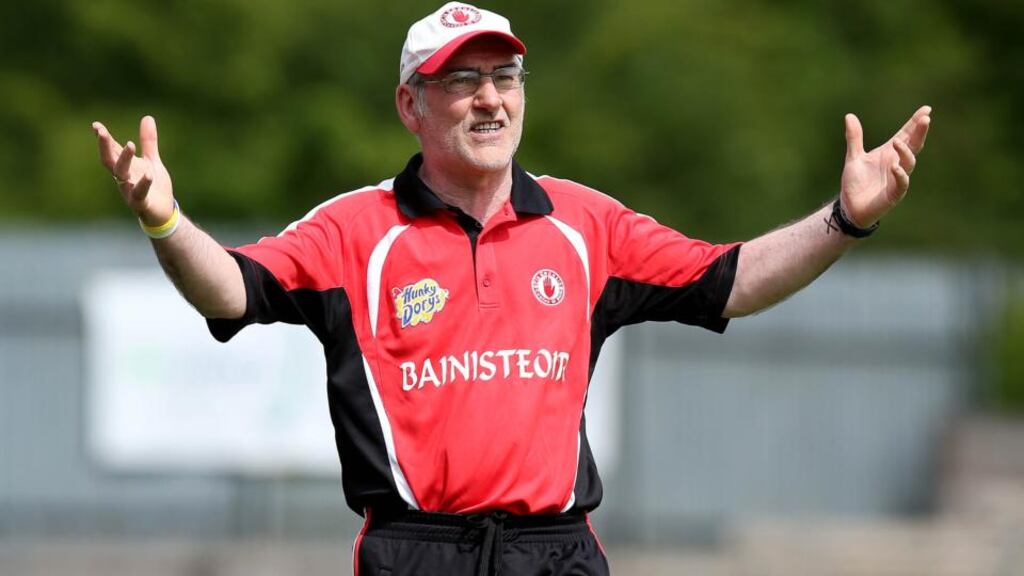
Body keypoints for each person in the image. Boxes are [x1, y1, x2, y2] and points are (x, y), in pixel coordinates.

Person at [91, 3, 931, 575]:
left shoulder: (584, 223)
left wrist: (843, 221)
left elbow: (730, 279)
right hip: (415, 555)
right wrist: (168, 223)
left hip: (555, 555)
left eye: (506, 76)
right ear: (410, 105)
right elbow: (229, 292)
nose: (490, 98)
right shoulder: (355, 230)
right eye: (463, 80)